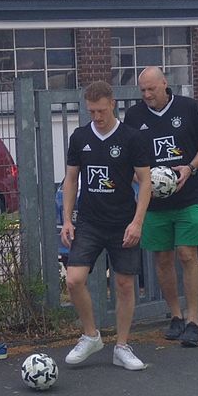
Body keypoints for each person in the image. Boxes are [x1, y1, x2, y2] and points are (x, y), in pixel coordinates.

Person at [59, 80, 153, 371]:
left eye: (100, 110)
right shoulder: (79, 138)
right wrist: (66, 219)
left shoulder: (132, 138)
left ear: (112, 104)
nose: (96, 117)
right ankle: (91, 335)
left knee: (125, 284)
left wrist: (137, 222)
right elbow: (72, 179)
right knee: (74, 280)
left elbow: (146, 181)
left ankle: (122, 346)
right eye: (91, 111)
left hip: (122, 221)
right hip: (89, 221)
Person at [121, 66, 198, 346]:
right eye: (143, 91)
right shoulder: (134, 116)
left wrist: (190, 167)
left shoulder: (188, 108)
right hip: (154, 203)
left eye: (152, 89)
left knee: (187, 255)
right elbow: (129, 155)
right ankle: (175, 316)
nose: (147, 95)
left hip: (189, 198)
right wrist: (141, 179)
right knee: (162, 260)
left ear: (164, 84)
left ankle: (193, 321)